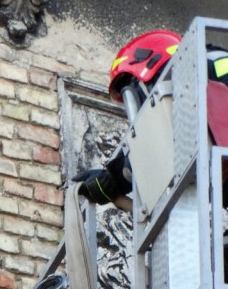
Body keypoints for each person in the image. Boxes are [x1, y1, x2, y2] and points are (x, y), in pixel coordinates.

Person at [76, 30, 228, 207]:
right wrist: (112, 180)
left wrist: (114, 178)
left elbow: (168, 144)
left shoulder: (207, 65)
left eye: (133, 96)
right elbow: (167, 149)